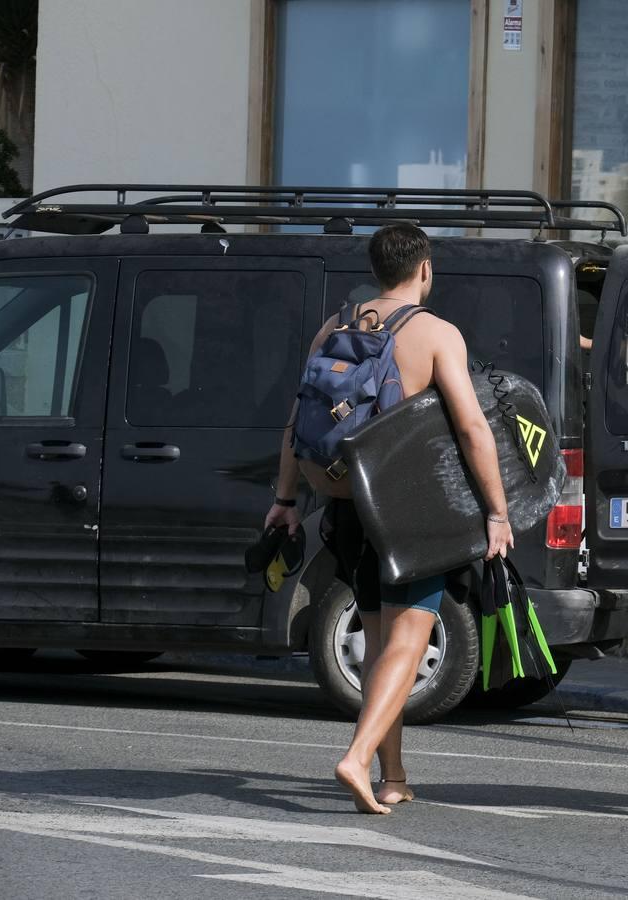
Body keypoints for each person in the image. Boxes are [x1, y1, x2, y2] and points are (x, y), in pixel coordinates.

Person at [265, 224, 513, 815]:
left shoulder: (337, 325)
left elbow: (297, 420)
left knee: (380, 641)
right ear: (424, 268)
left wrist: (284, 498)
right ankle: (357, 757)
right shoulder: (433, 333)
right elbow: (475, 428)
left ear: (377, 269)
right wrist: (498, 512)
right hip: (408, 512)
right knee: (411, 635)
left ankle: (393, 773)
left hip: (347, 507)